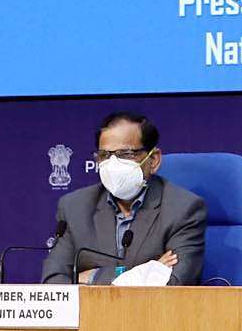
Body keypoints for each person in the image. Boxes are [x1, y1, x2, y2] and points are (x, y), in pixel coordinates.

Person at [42, 111, 206, 285]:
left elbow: (174, 284)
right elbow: (53, 283)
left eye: (125, 154)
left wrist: (91, 277)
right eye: (104, 155)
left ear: (153, 160)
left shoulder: (183, 209)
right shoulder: (75, 207)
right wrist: (145, 273)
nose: (113, 164)